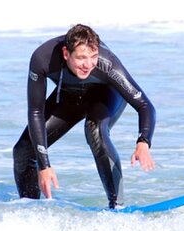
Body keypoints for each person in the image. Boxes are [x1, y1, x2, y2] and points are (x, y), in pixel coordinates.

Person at [13, 24, 156, 208]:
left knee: (94, 130)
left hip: (106, 96)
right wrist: (44, 165)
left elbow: (145, 105)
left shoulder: (108, 64)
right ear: (66, 54)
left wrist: (143, 141)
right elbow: (35, 112)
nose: (88, 64)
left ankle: (117, 207)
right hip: (70, 96)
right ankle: (30, 209)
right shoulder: (43, 58)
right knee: (23, 150)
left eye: (93, 57)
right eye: (81, 58)